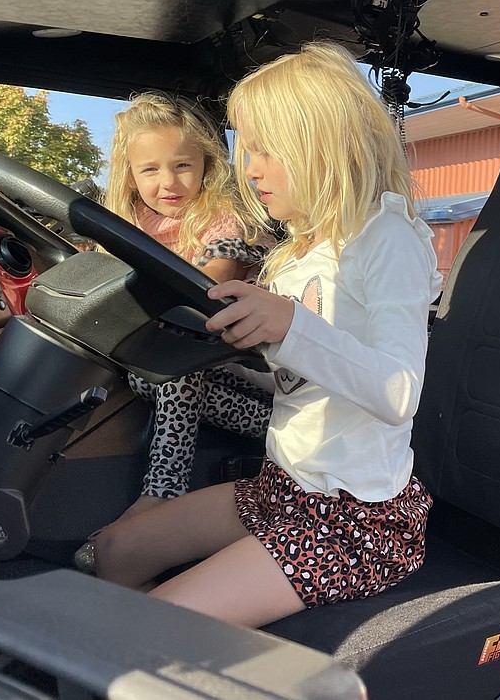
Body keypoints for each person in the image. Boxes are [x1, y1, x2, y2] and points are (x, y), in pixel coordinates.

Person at [92, 42, 443, 628]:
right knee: (114, 549)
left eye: (266, 150)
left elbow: (399, 392)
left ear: (326, 147)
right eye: (245, 150)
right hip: (280, 488)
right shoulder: (297, 252)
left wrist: (292, 326)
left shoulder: (387, 238)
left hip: (353, 520)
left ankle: (147, 652)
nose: (249, 168)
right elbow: (294, 376)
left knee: (150, 628)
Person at [74, 93, 274, 573]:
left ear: (206, 163)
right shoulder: (130, 223)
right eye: (150, 170)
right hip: (165, 361)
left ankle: (161, 493)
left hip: (244, 360)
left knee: (174, 368)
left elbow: (204, 295)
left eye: (182, 165)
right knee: (157, 373)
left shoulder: (223, 220)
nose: (167, 183)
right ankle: (275, 435)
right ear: (129, 173)